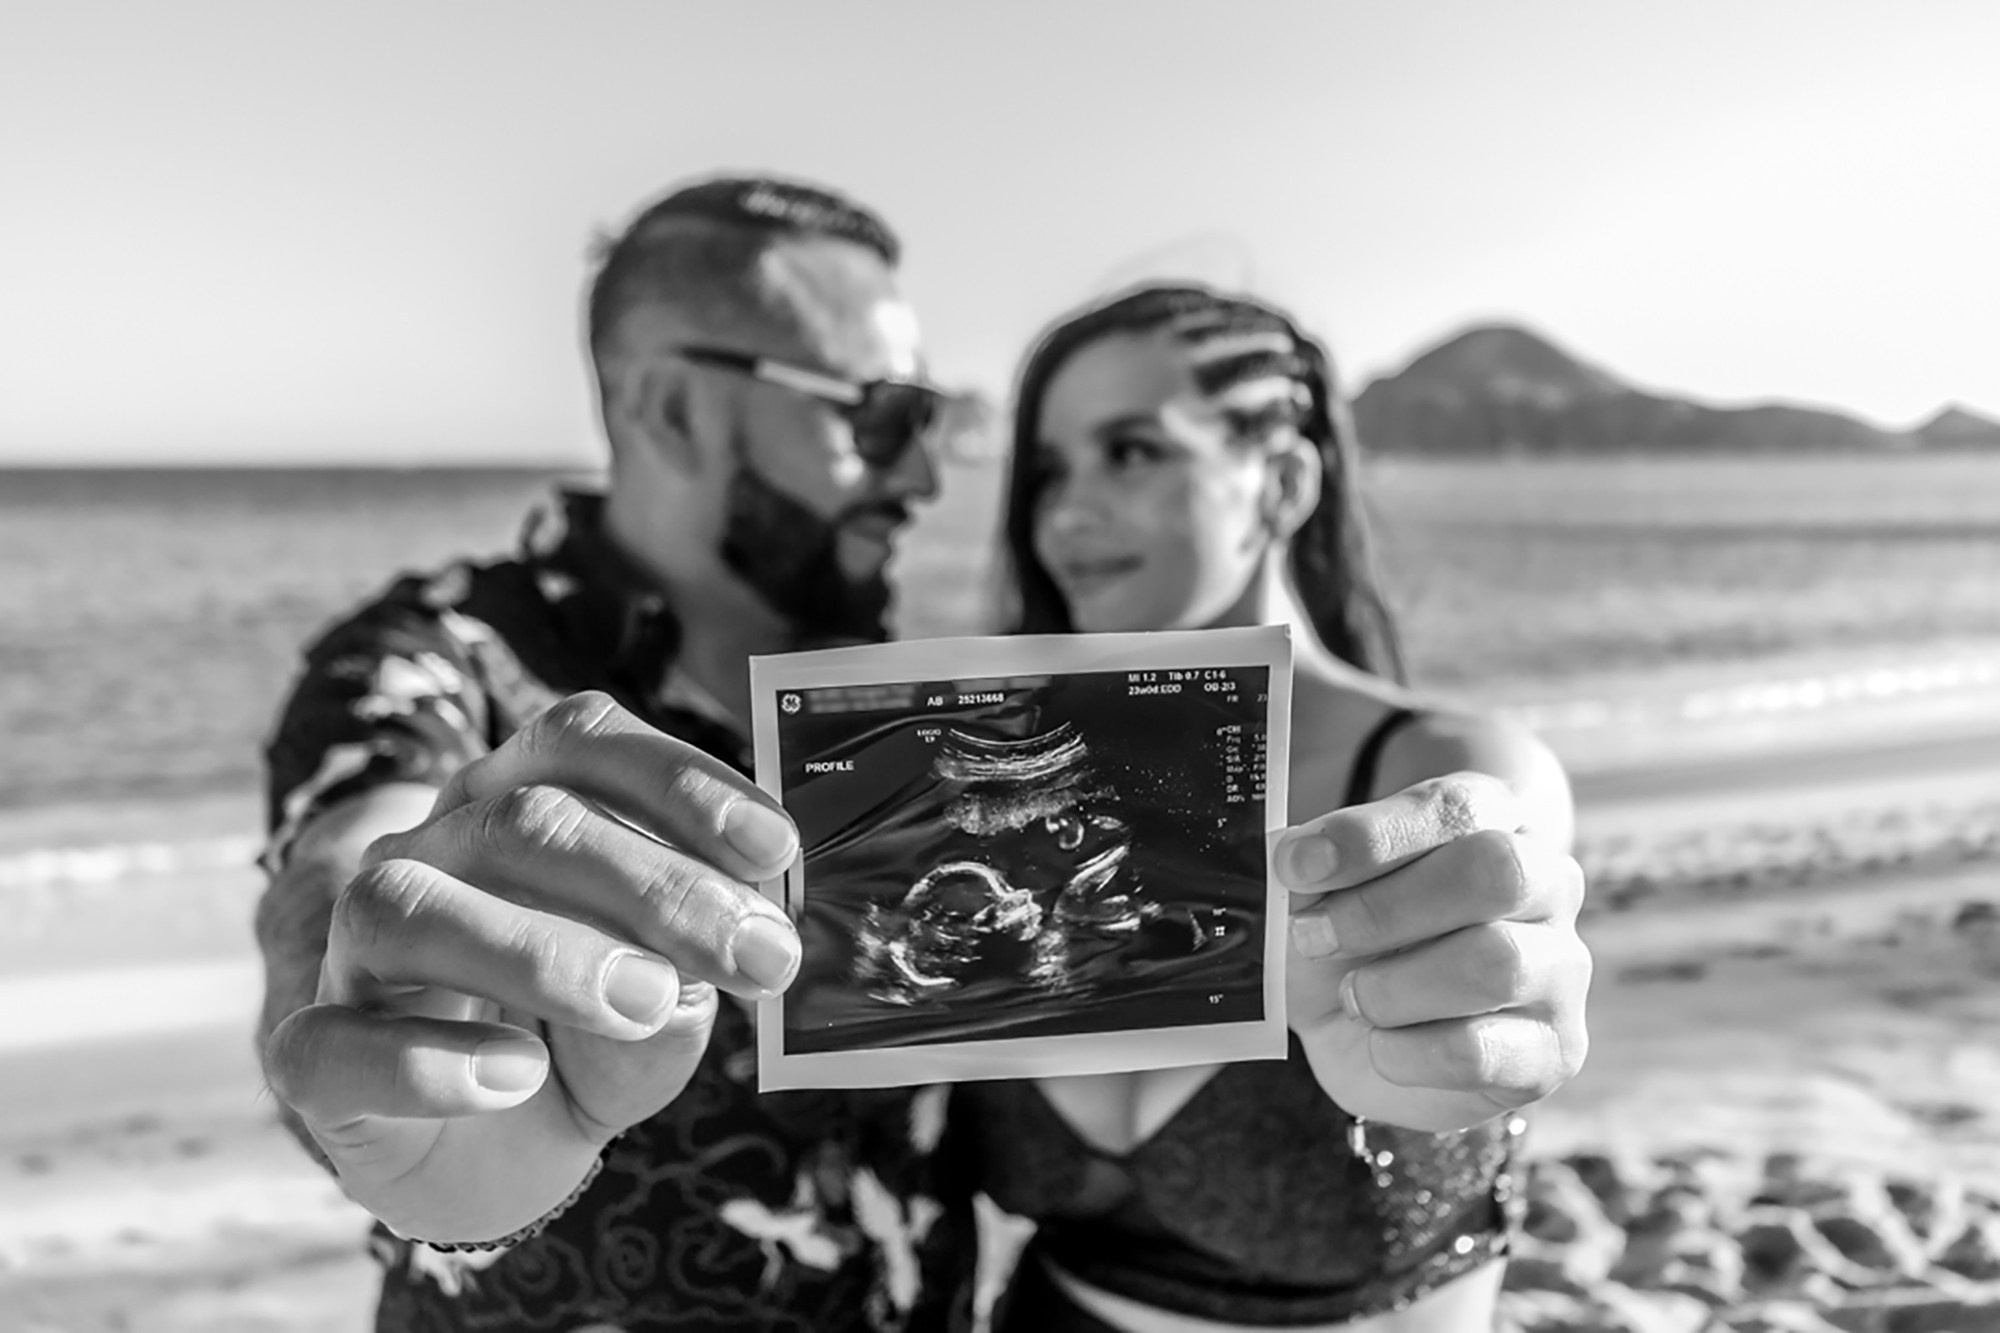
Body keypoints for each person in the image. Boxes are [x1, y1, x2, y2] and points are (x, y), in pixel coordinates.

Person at [253, 174, 983, 1332]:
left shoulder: (910, 706)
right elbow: (347, 875)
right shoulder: (439, 658)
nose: (924, 478)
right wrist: (381, 1048)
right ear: (670, 409)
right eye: (880, 418)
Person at [950, 284, 1593, 1332]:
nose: (1065, 514)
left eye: (1131, 452)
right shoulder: (997, 796)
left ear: (1281, 481)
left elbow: (1505, 886)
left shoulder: (1438, 770)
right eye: (1048, 471)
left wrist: (1503, 969)